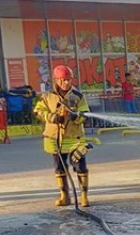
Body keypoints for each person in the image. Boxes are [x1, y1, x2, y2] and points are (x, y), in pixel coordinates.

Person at [33, 64, 91, 207]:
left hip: (74, 139)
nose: (67, 83)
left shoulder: (78, 96)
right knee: (59, 168)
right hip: (55, 139)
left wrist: (76, 117)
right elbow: (38, 111)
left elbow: (85, 113)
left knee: (80, 167)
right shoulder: (47, 97)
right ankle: (64, 196)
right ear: (56, 80)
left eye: (69, 80)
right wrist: (52, 117)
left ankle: (84, 196)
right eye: (64, 80)